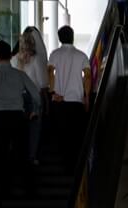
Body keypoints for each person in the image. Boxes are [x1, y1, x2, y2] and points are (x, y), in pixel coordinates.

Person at [0, 40, 41, 191]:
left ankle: (3, 187)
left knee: (0, 153)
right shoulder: (20, 75)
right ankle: (28, 187)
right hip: (17, 117)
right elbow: (36, 95)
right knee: (22, 152)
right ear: (10, 55)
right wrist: (35, 110)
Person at [47, 25, 91, 170]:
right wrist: (87, 97)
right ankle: (75, 166)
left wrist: (52, 92)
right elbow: (88, 76)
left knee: (62, 133)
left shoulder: (55, 54)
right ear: (72, 37)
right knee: (76, 134)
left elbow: (50, 72)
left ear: (59, 38)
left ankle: (64, 163)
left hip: (59, 101)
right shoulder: (81, 55)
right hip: (76, 101)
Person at [15, 26, 48, 163]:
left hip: (18, 98)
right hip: (34, 97)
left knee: (21, 128)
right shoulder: (36, 59)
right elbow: (42, 82)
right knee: (34, 128)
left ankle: (20, 156)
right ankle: (32, 156)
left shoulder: (14, 59)